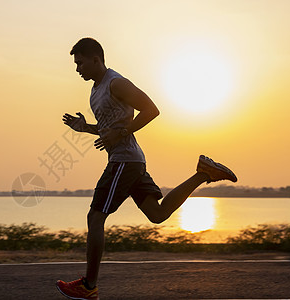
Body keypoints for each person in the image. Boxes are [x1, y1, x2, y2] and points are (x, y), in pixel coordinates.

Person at [56, 37, 237, 300]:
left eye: (80, 63)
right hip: (130, 160)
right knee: (158, 214)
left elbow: (151, 110)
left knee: (95, 217)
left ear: (96, 59)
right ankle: (204, 172)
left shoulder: (116, 83)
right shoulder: (96, 90)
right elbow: (111, 130)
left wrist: (120, 134)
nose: (77, 69)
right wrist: (85, 128)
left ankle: (88, 285)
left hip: (124, 161)